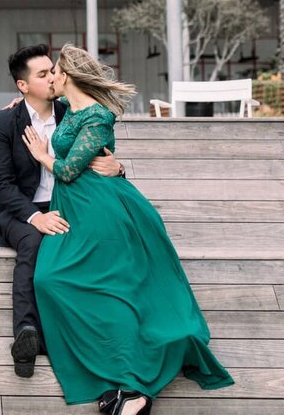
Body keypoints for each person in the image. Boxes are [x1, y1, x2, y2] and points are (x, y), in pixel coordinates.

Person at [22, 44, 234, 414]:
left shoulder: (98, 116)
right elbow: (36, 108)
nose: (50, 77)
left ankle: (132, 388)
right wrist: (17, 104)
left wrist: (43, 156)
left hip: (101, 210)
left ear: (67, 74)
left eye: (54, 71)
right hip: (73, 208)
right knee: (49, 280)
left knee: (110, 288)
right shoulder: (68, 108)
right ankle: (111, 377)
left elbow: (70, 170)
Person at [0, 44, 125, 379]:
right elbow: (2, 184)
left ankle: (101, 338)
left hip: (70, 205)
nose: (53, 78)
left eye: (54, 71)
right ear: (23, 86)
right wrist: (36, 217)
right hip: (20, 212)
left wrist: (118, 168)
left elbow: (101, 154)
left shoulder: (72, 113)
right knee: (34, 242)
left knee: (94, 243)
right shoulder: (6, 121)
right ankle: (26, 335)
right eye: (43, 74)